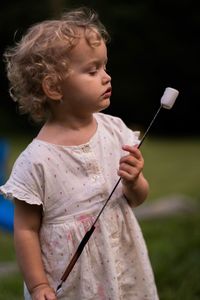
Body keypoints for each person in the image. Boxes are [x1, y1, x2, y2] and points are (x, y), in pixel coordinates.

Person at [0, 7, 159, 300]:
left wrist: (134, 182)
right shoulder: (35, 161)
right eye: (92, 70)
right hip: (74, 280)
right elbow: (25, 230)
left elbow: (136, 199)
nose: (107, 77)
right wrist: (38, 286)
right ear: (53, 87)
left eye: (105, 66)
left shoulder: (115, 131)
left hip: (122, 263)